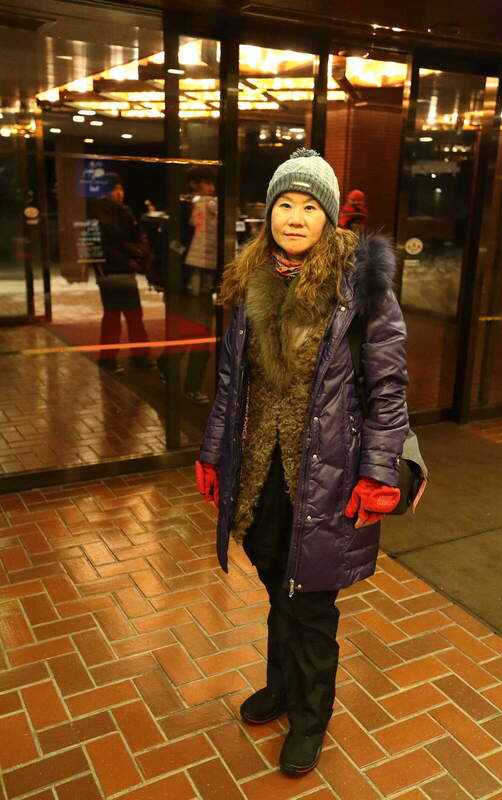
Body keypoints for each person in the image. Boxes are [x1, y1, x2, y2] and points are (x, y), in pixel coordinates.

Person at [195, 149, 409, 776]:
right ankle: (282, 687)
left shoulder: (359, 287)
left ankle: (311, 717)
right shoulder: (252, 280)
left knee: (312, 602)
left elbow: (389, 387)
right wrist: (213, 452)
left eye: (309, 206)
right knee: (274, 580)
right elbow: (231, 382)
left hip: (328, 472)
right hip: (262, 468)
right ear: (268, 213)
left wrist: (378, 470)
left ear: (330, 216)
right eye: (284, 204)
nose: (294, 217)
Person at [90, 173, 154, 373]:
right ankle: (116, 358)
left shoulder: (124, 210)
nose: (119, 193)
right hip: (110, 270)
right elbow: (104, 244)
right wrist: (129, 258)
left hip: (123, 270)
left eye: (120, 188)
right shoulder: (99, 212)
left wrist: (137, 257)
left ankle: (133, 357)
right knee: (116, 316)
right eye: (114, 189)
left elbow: (136, 237)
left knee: (131, 315)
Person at [184, 166, 217, 297]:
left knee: (197, 276)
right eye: (208, 183)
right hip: (205, 247)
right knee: (203, 278)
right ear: (193, 184)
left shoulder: (200, 203)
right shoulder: (208, 203)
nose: (212, 188)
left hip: (198, 247)